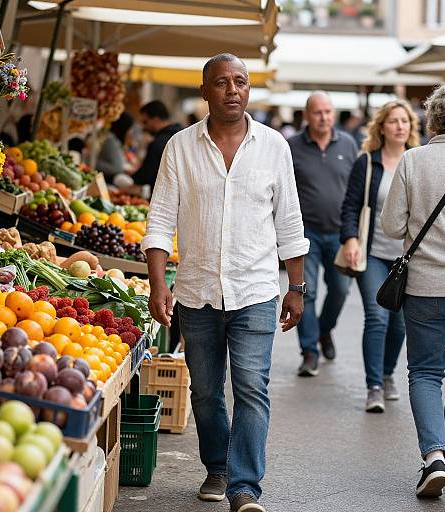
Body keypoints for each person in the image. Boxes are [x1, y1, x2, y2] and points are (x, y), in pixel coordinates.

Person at [142, 53, 309, 512]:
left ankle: (244, 487)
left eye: (240, 81)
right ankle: (217, 465)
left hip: (256, 289)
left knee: (252, 386)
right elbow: (159, 221)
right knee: (206, 390)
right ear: (204, 92)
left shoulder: (274, 146)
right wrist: (159, 285)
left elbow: (289, 222)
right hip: (196, 291)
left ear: (248, 89)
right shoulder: (180, 147)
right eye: (221, 82)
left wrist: (297, 287)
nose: (232, 90)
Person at [381, 80, 445, 498]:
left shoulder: (414, 161)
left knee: (426, 373)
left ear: (432, 118)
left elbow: (392, 226)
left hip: (426, 288)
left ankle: (433, 455)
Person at [340, 100, 420, 413]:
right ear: (382, 127)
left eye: (405, 121)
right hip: (371, 252)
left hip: (407, 256)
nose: (400, 126)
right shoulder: (367, 163)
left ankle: (387, 375)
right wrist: (349, 239)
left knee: (399, 324)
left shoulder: (417, 161)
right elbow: (349, 206)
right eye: (393, 121)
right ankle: (374, 385)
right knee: (377, 317)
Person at [288, 91, 358, 376]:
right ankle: (309, 351)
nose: (324, 117)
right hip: (306, 232)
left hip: (342, 232)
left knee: (340, 290)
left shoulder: (349, 144)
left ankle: (324, 330)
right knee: (308, 291)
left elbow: (357, 188)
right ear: (307, 115)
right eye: (317, 112)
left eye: (328, 111)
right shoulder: (291, 146)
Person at [129, 100, 182, 191]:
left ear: (156, 120)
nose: (143, 127)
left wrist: (132, 176)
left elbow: (146, 174)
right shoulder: (182, 135)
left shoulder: (159, 142)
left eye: (145, 122)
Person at [96, 111, 134, 183]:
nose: (130, 132)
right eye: (129, 129)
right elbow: (117, 168)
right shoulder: (111, 141)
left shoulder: (115, 140)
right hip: (106, 179)